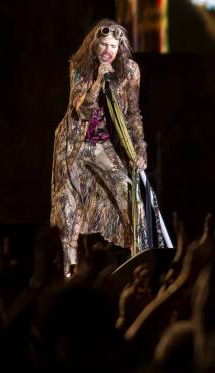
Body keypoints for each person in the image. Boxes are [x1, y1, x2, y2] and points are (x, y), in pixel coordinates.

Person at [51, 19, 164, 277]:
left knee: (129, 192)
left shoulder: (130, 71)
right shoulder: (80, 66)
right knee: (70, 212)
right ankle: (69, 275)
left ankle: (139, 262)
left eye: (113, 45)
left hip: (102, 144)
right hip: (73, 144)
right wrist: (98, 79)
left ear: (120, 47)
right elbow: (80, 111)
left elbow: (134, 113)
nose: (108, 51)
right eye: (103, 44)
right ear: (94, 46)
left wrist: (139, 148)